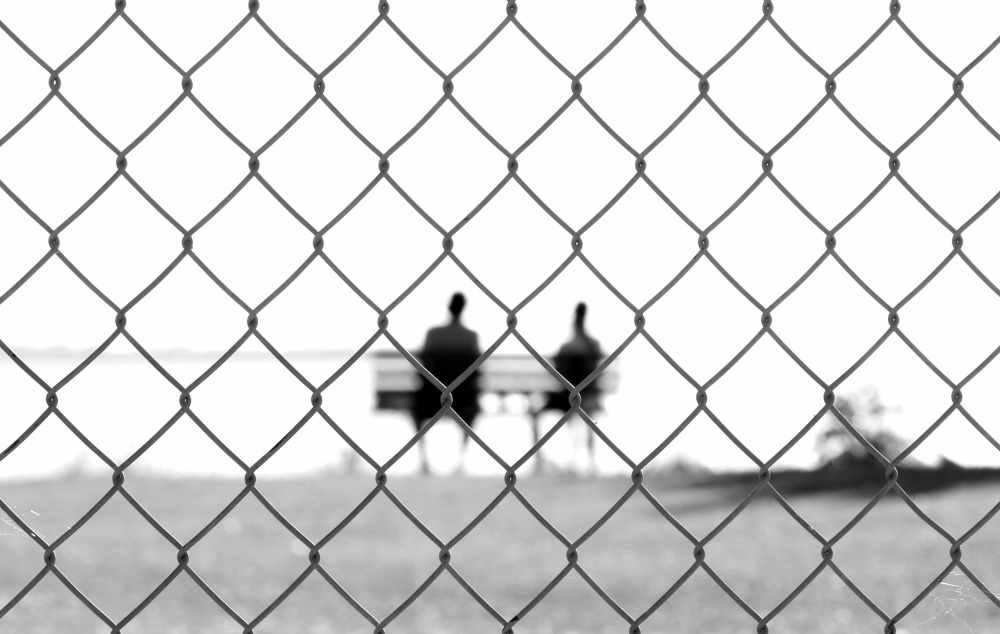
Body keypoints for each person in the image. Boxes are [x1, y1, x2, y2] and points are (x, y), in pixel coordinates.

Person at [413, 293, 481, 474]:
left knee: (417, 411)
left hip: (431, 398)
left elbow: (422, 367)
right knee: (472, 410)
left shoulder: (434, 334)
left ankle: (424, 459)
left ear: (449, 307)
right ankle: (461, 458)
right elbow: (476, 371)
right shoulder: (471, 337)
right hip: (464, 399)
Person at [544, 302, 604, 473]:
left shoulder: (566, 348)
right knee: (589, 420)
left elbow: (555, 373)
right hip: (589, 396)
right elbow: (599, 373)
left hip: (567, 397)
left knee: (572, 416)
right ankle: (589, 461)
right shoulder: (593, 345)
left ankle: (573, 457)